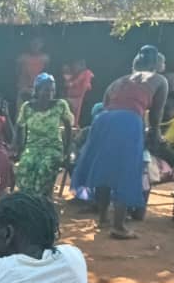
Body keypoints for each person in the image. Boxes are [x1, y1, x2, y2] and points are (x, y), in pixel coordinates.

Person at [72, 45, 168, 240]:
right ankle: (119, 226)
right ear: (156, 63)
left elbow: (106, 105)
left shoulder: (119, 81)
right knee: (126, 170)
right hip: (129, 122)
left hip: (103, 121)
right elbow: (156, 115)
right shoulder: (160, 80)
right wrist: (156, 134)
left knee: (104, 167)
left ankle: (103, 218)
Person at [15, 74, 73, 196]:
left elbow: (68, 127)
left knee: (45, 167)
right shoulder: (27, 107)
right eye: (46, 89)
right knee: (26, 165)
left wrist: (67, 150)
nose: (50, 93)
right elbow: (19, 126)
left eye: (52, 90)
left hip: (53, 147)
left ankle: (42, 199)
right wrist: (19, 147)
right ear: (37, 90)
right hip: (32, 147)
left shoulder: (60, 105)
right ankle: (27, 198)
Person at [16, 36, 49, 106]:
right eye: (34, 43)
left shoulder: (45, 58)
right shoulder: (22, 57)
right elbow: (17, 71)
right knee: (21, 109)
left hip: (37, 89)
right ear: (30, 43)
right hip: (24, 88)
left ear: (42, 44)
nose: (36, 45)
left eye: (38, 43)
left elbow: (46, 73)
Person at [63, 59, 94, 123]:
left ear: (81, 65)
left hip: (80, 100)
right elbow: (67, 84)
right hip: (72, 100)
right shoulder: (75, 75)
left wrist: (70, 84)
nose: (73, 67)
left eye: (75, 65)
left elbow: (75, 83)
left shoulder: (86, 73)